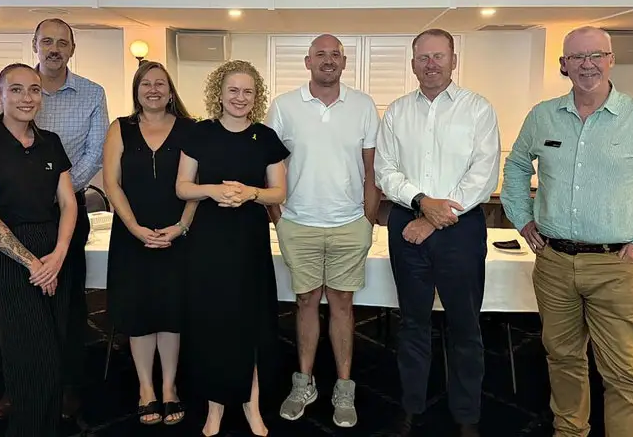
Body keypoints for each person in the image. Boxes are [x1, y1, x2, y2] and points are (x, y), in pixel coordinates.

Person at [500, 26, 633, 437]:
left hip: (618, 265)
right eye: (576, 57)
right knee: (562, 358)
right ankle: (570, 431)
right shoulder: (543, 116)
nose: (587, 64)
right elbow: (517, 167)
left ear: (611, 60)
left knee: (624, 370)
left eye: (596, 55)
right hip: (554, 262)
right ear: (563, 65)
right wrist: (522, 217)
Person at [375, 28, 500, 437]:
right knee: (412, 324)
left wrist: (431, 217)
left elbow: (482, 176)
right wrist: (420, 202)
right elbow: (385, 171)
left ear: (453, 60)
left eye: (438, 56)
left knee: (464, 325)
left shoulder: (478, 109)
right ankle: (411, 407)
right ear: (412, 64)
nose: (431, 64)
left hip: (459, 231)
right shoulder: (396, 111)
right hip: (406, 224)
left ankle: (467, 415)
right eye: (423, 57)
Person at [0, 18, 108, 420]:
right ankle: (17, 386)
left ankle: (66, 384)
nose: (54, 48)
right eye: (47, 42)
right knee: (15, 308)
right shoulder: (15, 86)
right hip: (17, 213)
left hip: (67, 209)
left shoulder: (92, 93)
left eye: (62, 42)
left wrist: (62, 188)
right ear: (35, 45)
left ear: (72, 49)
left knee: (67, 305)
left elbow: (96, 151)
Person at [265, 34, 380, 428]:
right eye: (320, 55)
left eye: (335, 55)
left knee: (344, 305)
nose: (327, 61)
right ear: (307, 61)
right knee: (306, 303)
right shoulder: (283, 106)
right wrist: (278, 216)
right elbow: (271, 165)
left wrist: (367, 218)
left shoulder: (363, 106)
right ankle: (304, 383)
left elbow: (371, 170)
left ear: (344, 62)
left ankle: (344, 387)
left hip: (350, 223)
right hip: (298, 223)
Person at [0, 63, 78, 437]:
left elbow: (69, 203)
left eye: (34, 90)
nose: (27, 97)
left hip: (54, 253)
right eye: (16, 90)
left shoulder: (52, 142)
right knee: (29, 354)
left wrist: (58, 255)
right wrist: (33, 263)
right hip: (13, 256)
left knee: (55, 347)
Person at [175, 60, 289, 437]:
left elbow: (279, 192)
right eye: (233, 90)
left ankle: (251, 405)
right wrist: (213, 190)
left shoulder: (266, 137)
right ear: (219, 94)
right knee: (212, 324)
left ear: (256, 98)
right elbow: (182, 187)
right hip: (208, 242)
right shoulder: (199, 134)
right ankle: (215, 408)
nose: (240, 98)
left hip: (248, 241)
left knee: (250, 324)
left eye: (248, 92)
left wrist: (250, 193)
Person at [102, 61, 196, 426]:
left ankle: (170, 387)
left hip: (178, 235)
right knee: (140, 314)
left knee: (171, 312)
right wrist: (135, 228)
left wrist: (181, 227)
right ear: (137, 91)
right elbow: (112, 183)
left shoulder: (190, 129)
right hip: (132, 236)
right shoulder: (120, 129)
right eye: (146, 84)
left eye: (160, 84)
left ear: (171, 92)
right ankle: (146, 389)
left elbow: (197, 183)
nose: (153, 89)